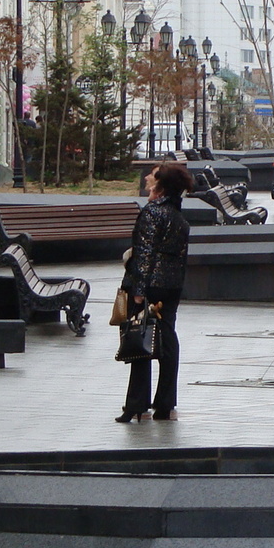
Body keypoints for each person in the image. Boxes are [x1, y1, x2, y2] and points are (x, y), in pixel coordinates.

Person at [116, 161, 193, 424]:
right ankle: (165, 403)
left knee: (140, 340)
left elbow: (145, 255)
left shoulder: (152, 212)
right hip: (171, 287)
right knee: (167, 341)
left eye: (153, 175)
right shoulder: (178, 216)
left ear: (160, 185)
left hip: (149, 286)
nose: (148, 177)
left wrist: (138, 291)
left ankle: (136, 404)